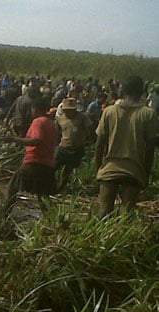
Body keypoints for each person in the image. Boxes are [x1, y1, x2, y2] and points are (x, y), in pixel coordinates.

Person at [94, 75, 159, 218]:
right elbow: (149, 150)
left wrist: (99, 168)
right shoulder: (149, 114)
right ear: (141, 91)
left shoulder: (109, 111)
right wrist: (145, 175)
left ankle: (99, 239)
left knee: (103, 212)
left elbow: (99, 145)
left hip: (110, 168)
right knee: (126, 214)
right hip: (133, 170)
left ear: (122, 91)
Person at [3, 97, 58, 216]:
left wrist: (14, 139)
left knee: (12, 188)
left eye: (32, 109)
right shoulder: (52, 123)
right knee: (43, 195)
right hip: (48, 164)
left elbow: (37, 140)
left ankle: (4, 217)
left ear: (36, 109)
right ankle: (53, 220)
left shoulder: (38, 122)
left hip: (33, 162)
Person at [54, 97, 93, 187]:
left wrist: (87, 138)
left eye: (70, 110)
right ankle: (50, 186)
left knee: (67, 171)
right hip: (63, 148)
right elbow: (56, 131)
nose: (68, 112)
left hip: (76, 149)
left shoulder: (82, 117)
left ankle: (60, 188)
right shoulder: (60, 119)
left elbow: (90, 128)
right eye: (66, 110)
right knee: (53, 167)